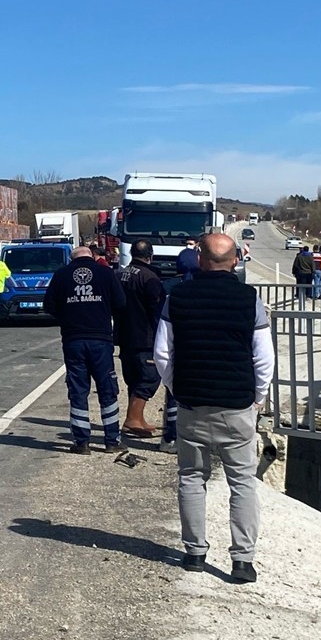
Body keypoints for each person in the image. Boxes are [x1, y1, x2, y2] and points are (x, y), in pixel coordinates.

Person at [154, 233, 275, 584]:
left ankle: (194, 553)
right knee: (242, 483)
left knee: (192, 478)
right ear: (235, 261)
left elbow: (162, 353)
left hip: (192, 404)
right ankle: (242, 561)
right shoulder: (249, 298)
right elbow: (263, 358)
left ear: (200, 261)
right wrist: (258, 397)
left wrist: (178, 387)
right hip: (237, 406)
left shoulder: (176, 297)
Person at [44, 245, 126, 454]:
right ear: (91, 256)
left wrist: (68, 317)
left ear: (72, 259)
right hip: (100, 338)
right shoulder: (105, 273)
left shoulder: (61, 275)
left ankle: (82, 442)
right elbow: (120, 302)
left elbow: (49, 306)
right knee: (107, 388)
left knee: (78, 390)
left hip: (73, 339)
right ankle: (112, 440)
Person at [115, 240, 166, 436]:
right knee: (149, 377)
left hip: (124, 335)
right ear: (150, 256)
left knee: (133, 379)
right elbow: (156, 310)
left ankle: (138, 419)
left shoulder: (119, 274)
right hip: (145, 336)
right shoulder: (149, 277)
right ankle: (133, 418)